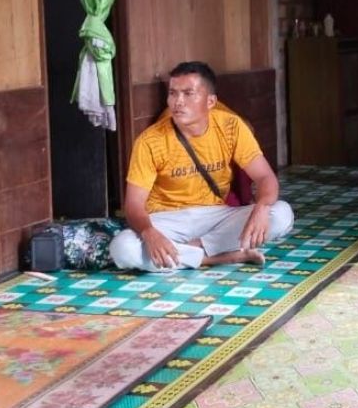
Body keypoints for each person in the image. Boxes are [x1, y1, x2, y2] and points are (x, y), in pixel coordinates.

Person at [109, 61, 294, 271]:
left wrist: (261, 208)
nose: (178, 102)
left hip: (215, 215)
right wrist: (150, 233)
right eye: (173, 93)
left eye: (188, 93)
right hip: (166, 220)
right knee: (122, 248)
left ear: (210, 101)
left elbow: (265, 177)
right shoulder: (150, 140)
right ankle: (216, 258)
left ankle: (189, 252)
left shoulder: (231, 127)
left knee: (281, 213)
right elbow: (133, 205)